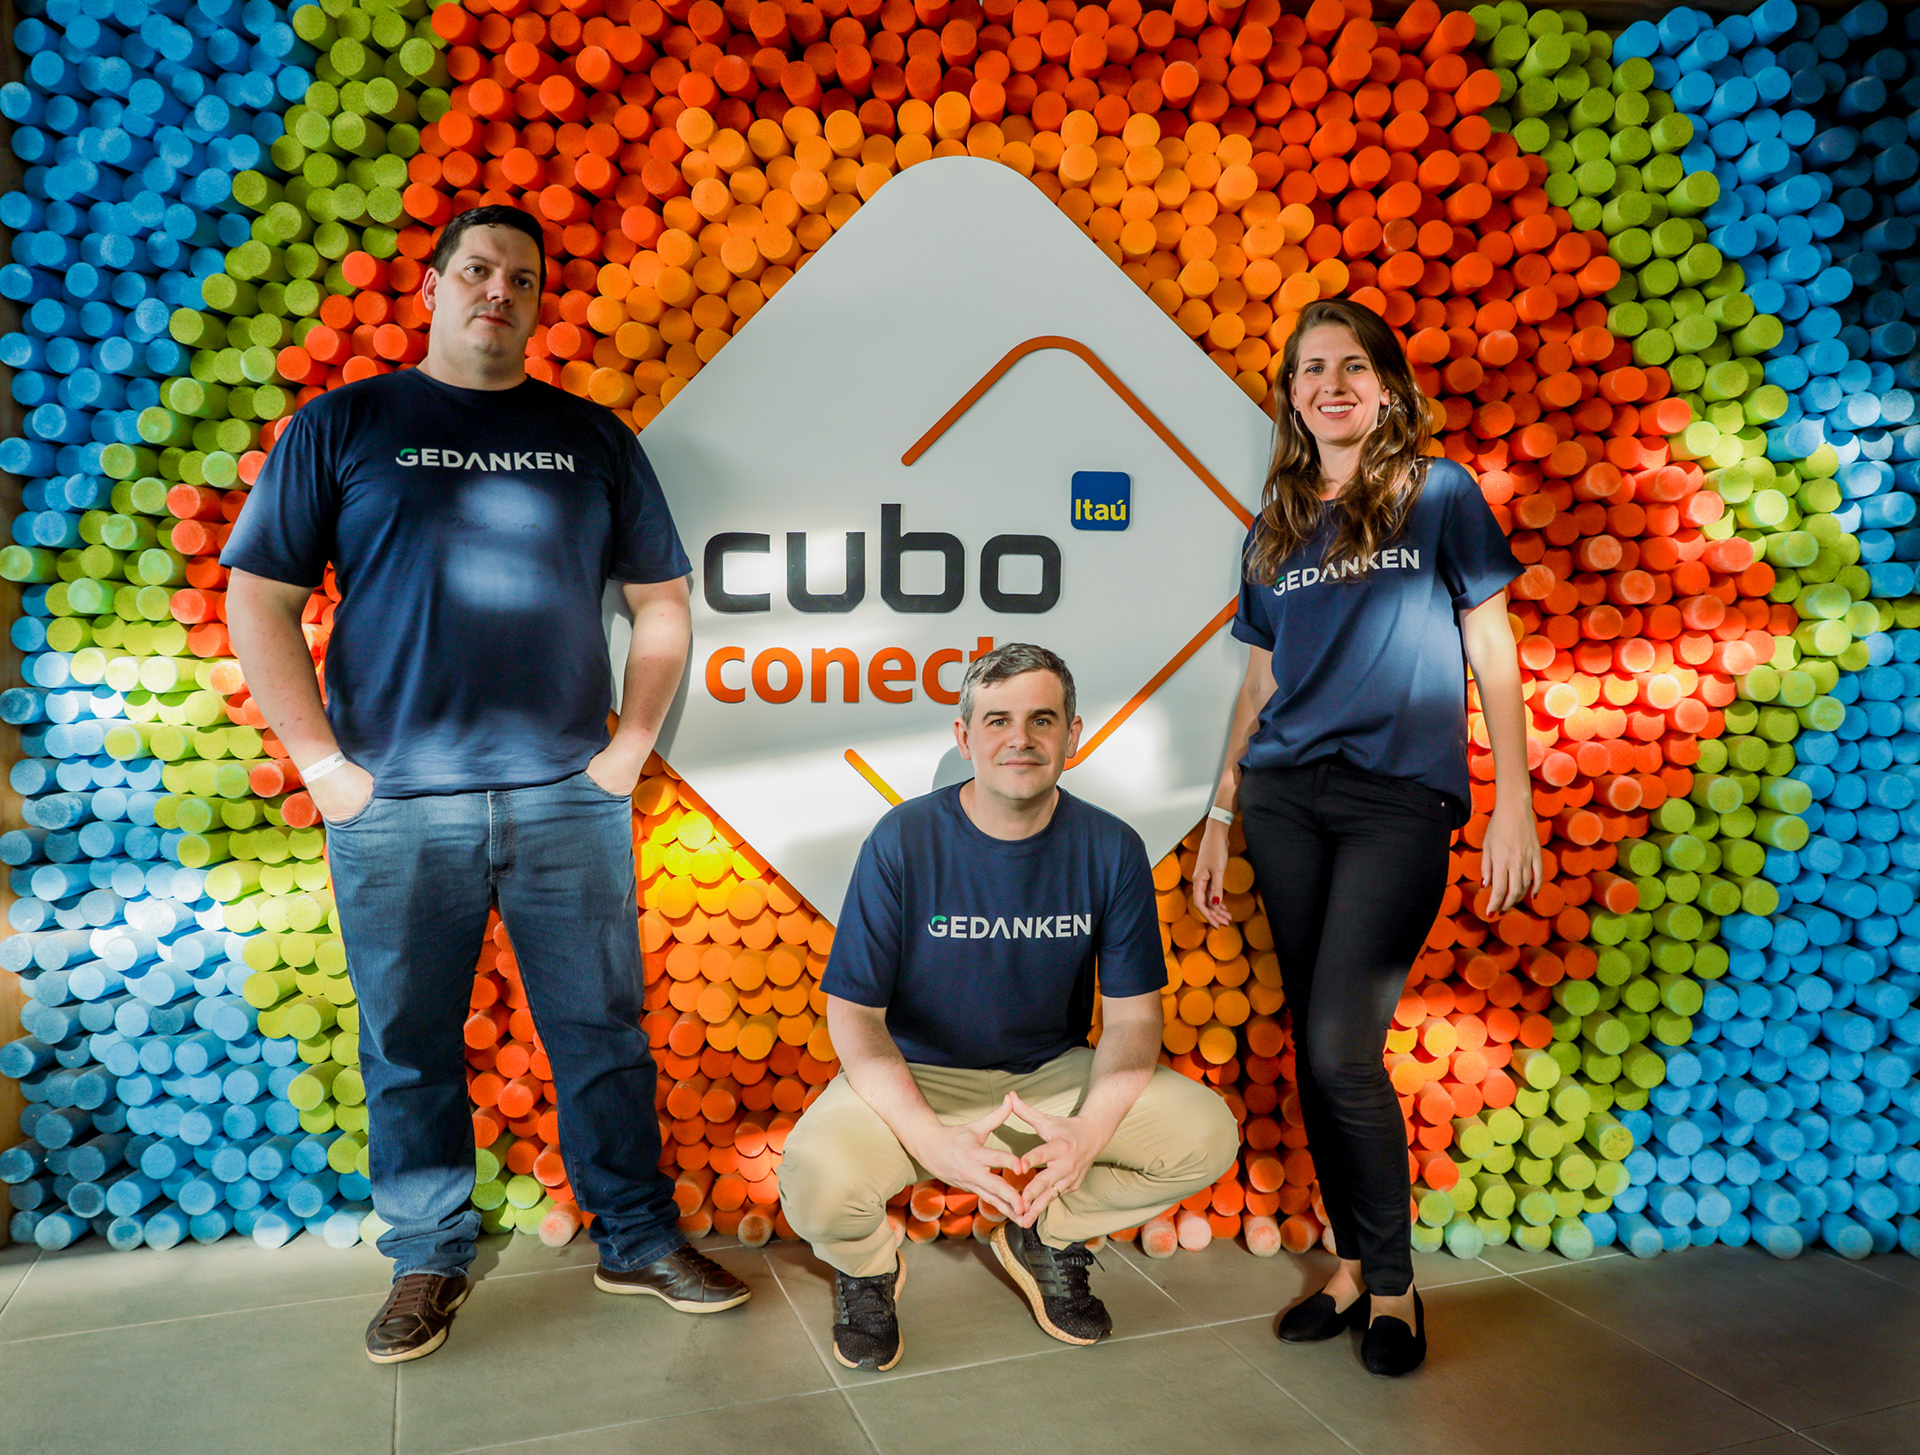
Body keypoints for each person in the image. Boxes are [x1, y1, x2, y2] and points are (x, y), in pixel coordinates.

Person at [223, 205, 750, 1364]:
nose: (497, 290)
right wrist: (325, 768)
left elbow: (662, 601)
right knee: (408, 1042)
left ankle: (635, 1237)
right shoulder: (345, 424)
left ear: (537, 299)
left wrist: (630, 747)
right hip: (396, 803)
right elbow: (256, 597)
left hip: (566, 793)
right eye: (476, 269)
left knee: (601, 1032)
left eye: (520, 276)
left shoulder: (590, 437)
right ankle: (428, 1255)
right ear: (432, 286)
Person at [1191, 297, 1540, 1377]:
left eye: (1351, 366)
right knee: (1318, 1042)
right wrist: (1220, 812)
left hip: (1399, 800)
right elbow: (1259, 681)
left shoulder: (1438, 494)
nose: (1330, 384)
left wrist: (1514, 799)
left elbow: (1490, 641)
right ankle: (1349, 1265)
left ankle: (1392, 1287)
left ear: (1386, 388)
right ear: (1292, 397)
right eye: (1310, 369)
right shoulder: (1274, 527)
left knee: (1344, 1046)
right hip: (1284, 799)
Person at [778, 643, 1241, 1372]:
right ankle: (866, 1268)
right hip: (919, 1075)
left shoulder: (1111, 847)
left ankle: (1047, 1234)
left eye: (1041, 719)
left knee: (1206, 1135)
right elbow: (855, 1016)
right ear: (964, 737)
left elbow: (1133, 1019)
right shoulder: (903, 839)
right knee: (814, 1179)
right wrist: (930, 1140)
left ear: (1072, 734)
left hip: (1049, 1078)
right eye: (997, 720)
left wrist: (1088, 1131)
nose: (1020, 738)